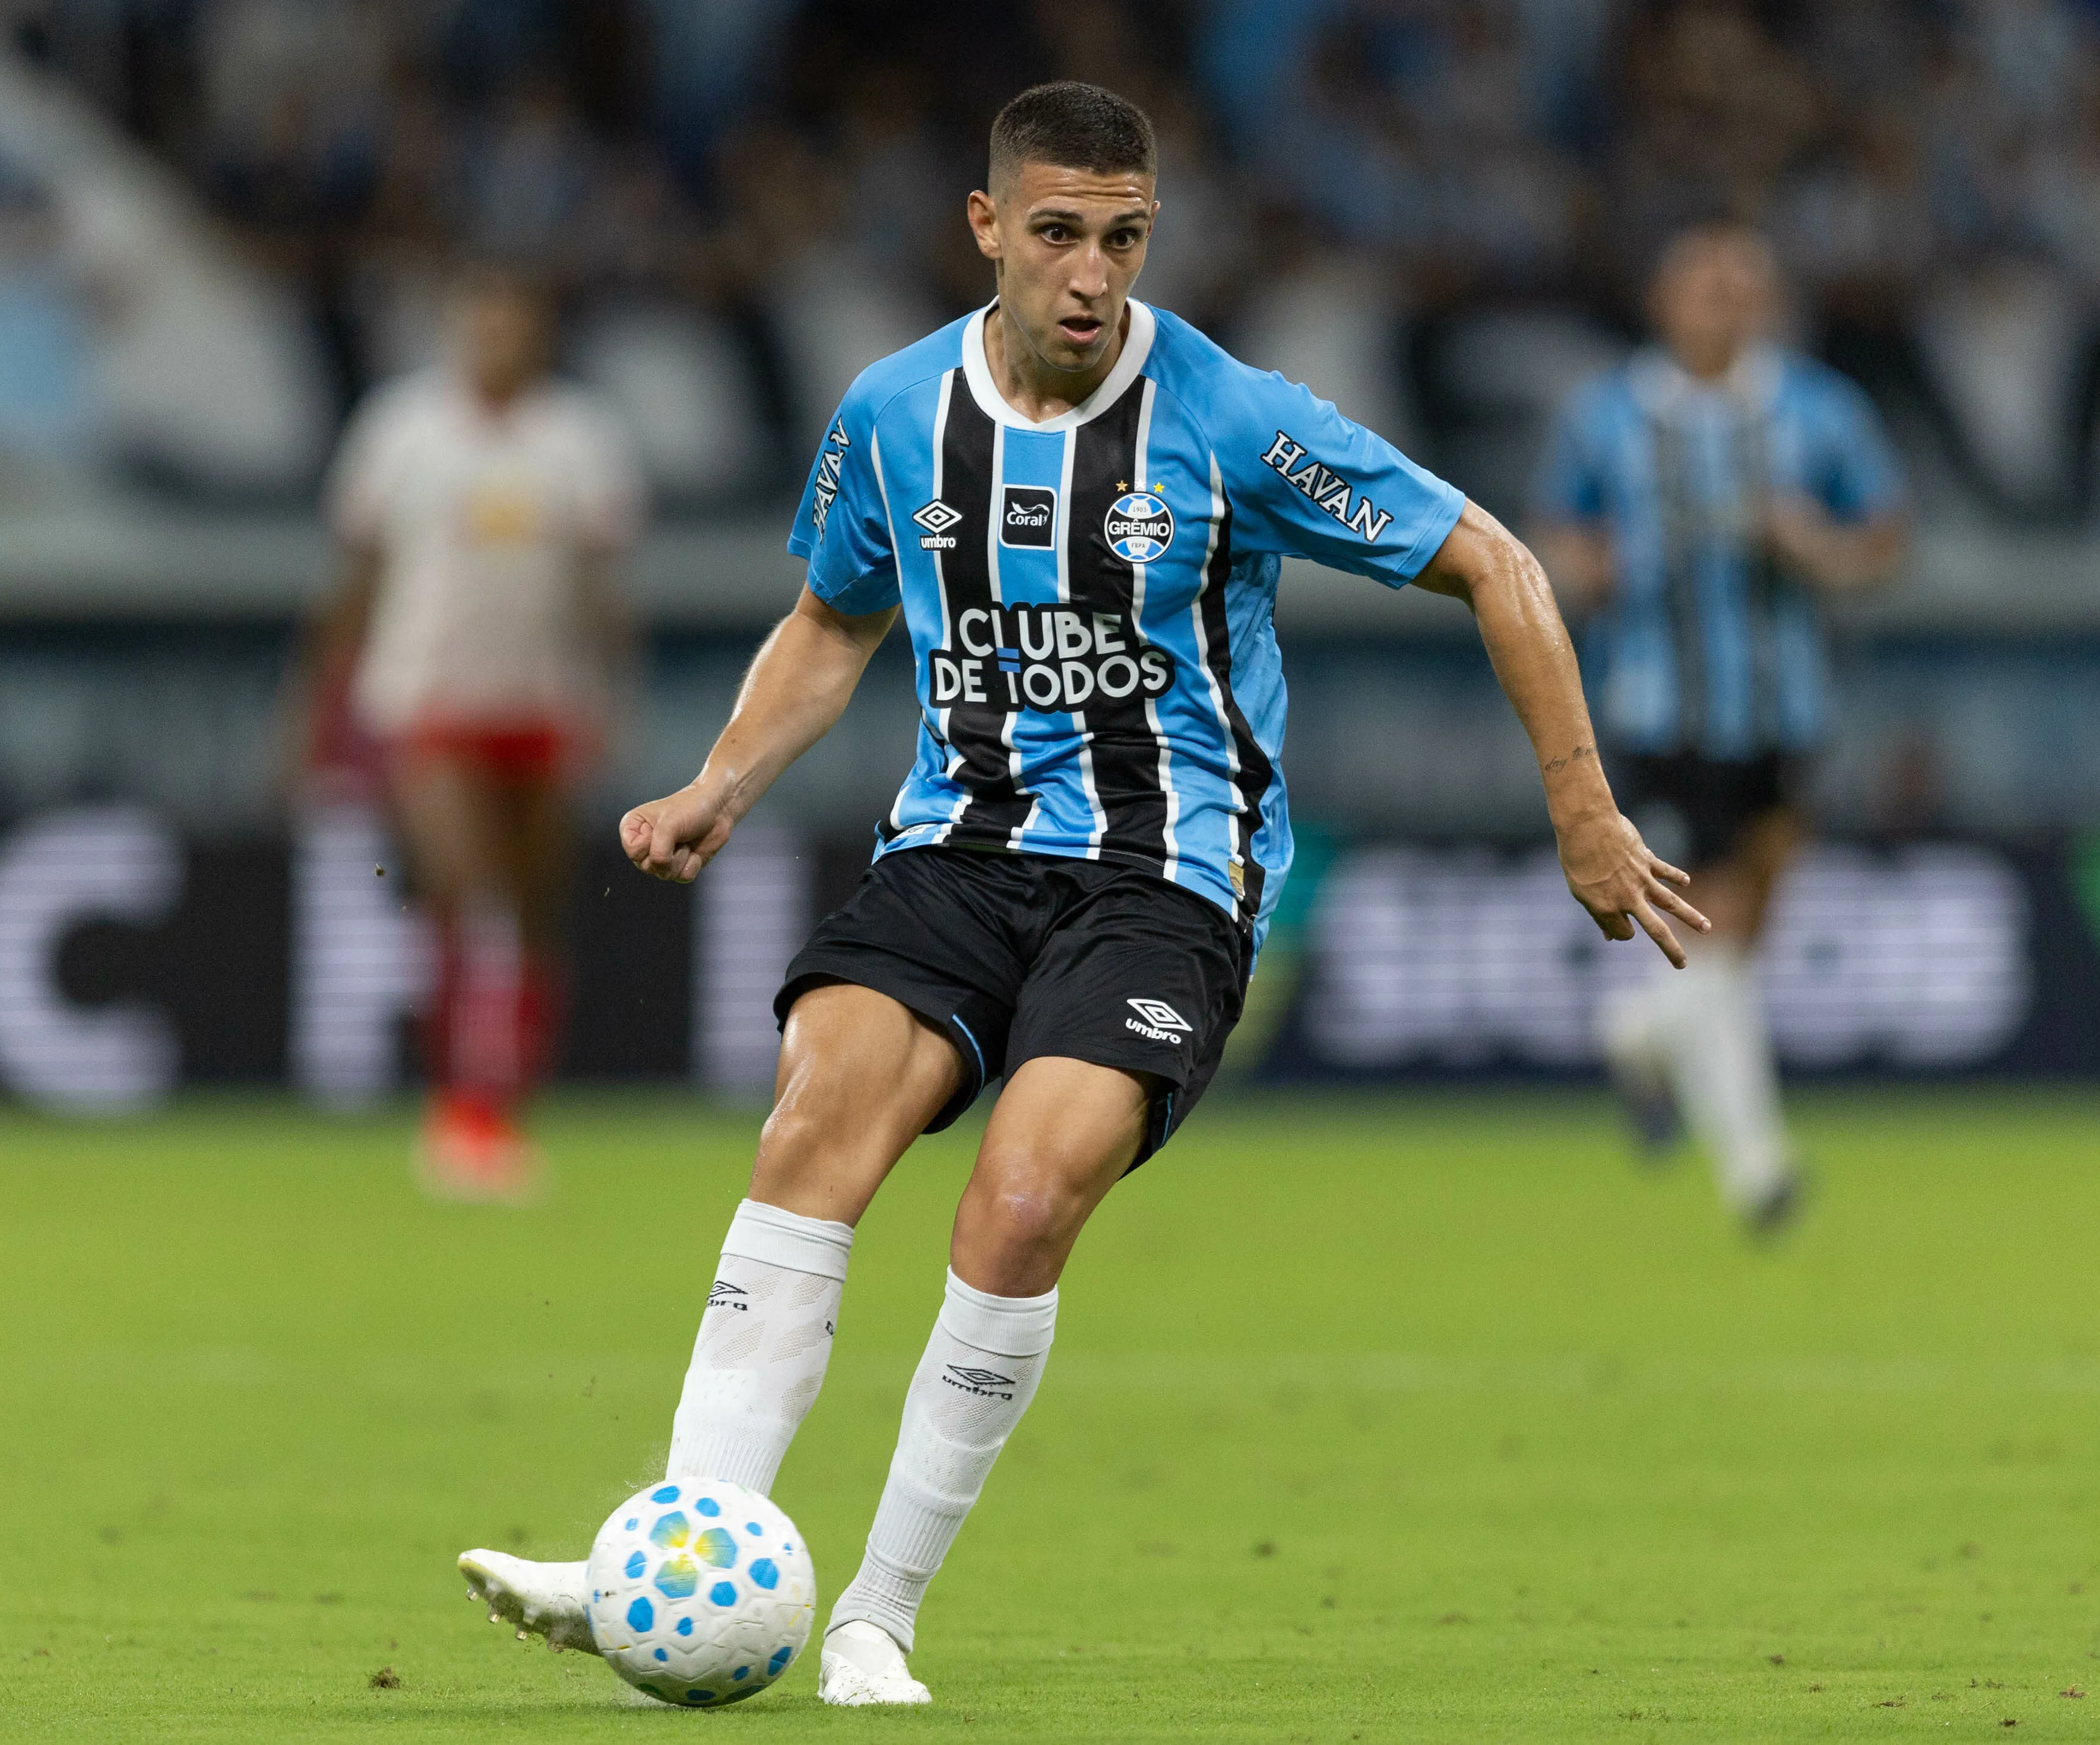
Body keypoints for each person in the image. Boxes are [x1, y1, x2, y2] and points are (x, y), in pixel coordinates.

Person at [457, 82, 1701, 1703]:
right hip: (956, 848)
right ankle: (681, 1557)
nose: (1091, 272)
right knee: (813, 1126)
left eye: (1123, 237)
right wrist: (720, 780)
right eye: (1057, 233)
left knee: (1026, 1196)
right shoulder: (895, 412)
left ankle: (875, 1614)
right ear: (988, 227)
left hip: (1166, 873)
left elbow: (1500, 564)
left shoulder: (1233, 417)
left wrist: (1584, 813)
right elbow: (833, 618)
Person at [1531, 224, 1906, 1233]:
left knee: (1748, 929)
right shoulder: (1608, 414)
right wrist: (1589, 565)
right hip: (1658, 709)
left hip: (1786, 708)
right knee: (1720, 921)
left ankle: (1640, 1028)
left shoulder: (1820, 409)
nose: (1724, 304)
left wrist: (1821, 549)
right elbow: (1558, 529)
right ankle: (1757, 1165)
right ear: (1663, 301)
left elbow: (1884, 536)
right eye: (1706, 287)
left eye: (1742, 287)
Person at [304, 265, 641, 1199]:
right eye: (485, 322)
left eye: (515, 324)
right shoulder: (401, 430)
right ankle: (459, 1104)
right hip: (429, 697)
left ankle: (504, 1101)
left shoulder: (581, 438)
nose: (500, 339)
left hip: (543, 699)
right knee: (460, 886)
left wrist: (613, 692)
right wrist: (322, 706)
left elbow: (600, 589)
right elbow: (357, 579)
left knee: (534, 909)